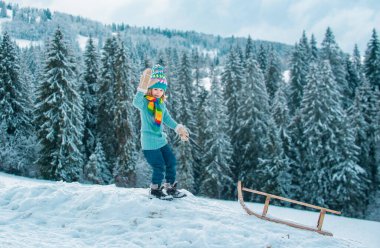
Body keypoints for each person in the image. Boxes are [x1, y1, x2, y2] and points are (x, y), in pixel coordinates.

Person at [133, 64, 189, 200]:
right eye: (155, 89)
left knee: (171, 161)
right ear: (150, 89)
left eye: (161, 90)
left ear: (164, 92)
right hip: (149, 142)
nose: (158, 92)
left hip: (160, 140)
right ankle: (155, 190)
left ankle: (170, 187)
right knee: (159, 166)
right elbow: (136, 101)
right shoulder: (145, 103)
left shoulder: (161, 104)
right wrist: (143, 85)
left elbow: (167, 119)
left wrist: (179, 128)